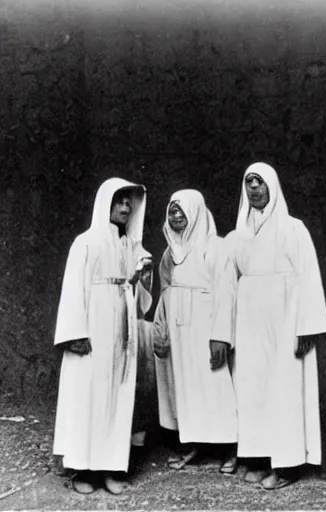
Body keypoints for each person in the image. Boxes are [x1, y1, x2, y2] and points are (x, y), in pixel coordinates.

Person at [226, 162, 326, 490]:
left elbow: (309, 278)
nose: (254, 187)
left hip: (286, 320)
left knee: (284, 389)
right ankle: (258, 457)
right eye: (248, 182)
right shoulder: (238, 235)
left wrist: (306, 327)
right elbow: (229, 282)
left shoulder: (293, 228)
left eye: (259, 181)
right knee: (252, 386)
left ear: (272, 186)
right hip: (250, 323)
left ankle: (287, 465)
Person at [53, 178, 153, 495]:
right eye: (119, 201)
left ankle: (111, 467)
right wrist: (74, 333)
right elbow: (72, 290)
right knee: (88, 396)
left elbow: (138, 283)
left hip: (120, 330)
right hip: (92, 328)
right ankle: (82, 469)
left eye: (128, 203)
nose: (125, 207)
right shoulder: (85, 242)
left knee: (118, 396)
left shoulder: (128, 245)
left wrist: (140, 273)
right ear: (104, 203)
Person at [153, 189, 238, 474]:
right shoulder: (169, 253)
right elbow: (164, 290)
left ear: (196, 212)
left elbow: (226, 292)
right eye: (172, 211)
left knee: (215, 384)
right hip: (179, 333)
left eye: (182, 211)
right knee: (184, 387)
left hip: (205, 328)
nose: (176, 217)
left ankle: (230, 448)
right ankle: (191, 443)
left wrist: (220, 337)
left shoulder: (216, 246)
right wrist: (161, 327)